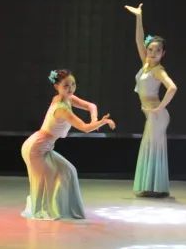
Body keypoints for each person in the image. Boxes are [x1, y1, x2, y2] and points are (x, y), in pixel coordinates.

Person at [20, 69, 115, 220]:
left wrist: (94, 119)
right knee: (49, 177)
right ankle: (45, 210)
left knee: (69, 171)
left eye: (73, 84)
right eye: (66, 85)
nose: (70, 88)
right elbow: (84, 128)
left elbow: (91, 106)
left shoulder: (67, 98)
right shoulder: (61, 108)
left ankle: (63, 209)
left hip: (45, 147)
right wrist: (102, 122)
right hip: (36, 148)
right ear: (56, 86)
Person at [124, 3, 177, 197]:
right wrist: (139, 17)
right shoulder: (146, 65)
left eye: (157, 51)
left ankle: (153, 187)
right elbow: (139, 40)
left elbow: (172, 87)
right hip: (151, 115)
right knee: (150, 147)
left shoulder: (158, 70)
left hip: (157, 116)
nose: (152, 53)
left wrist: (160, 108)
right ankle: (153, 187)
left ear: (163, 54)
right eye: (150, 49)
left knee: (151, 147)